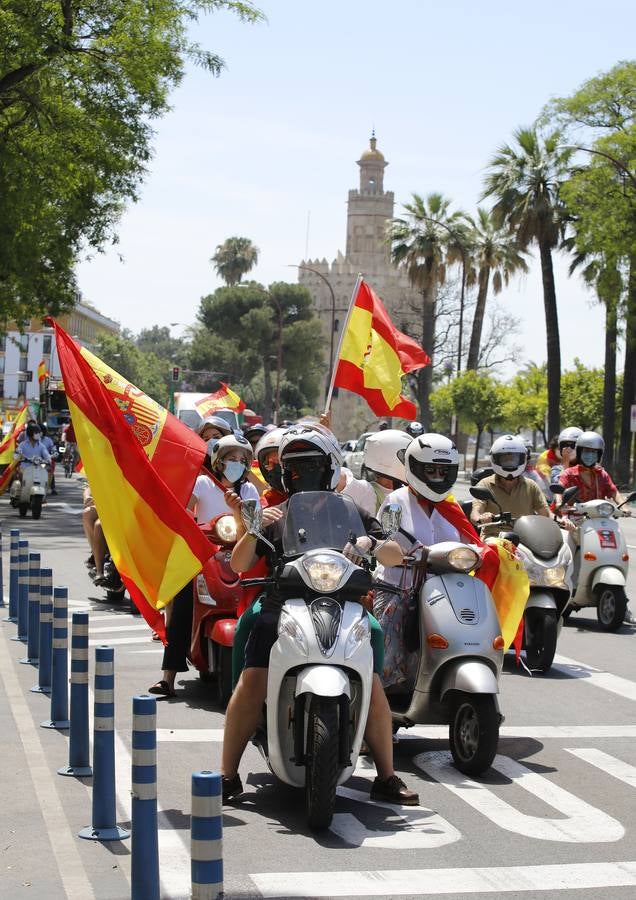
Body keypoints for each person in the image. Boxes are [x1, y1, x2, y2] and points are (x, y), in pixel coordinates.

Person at [221, 425, 419, 807]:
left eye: (311, 465)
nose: (301, 474)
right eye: (293, 469)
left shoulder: (352, 510)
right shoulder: (275, 511)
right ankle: (228, 773)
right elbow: (239, 562)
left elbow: (394, 552)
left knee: (373, 677)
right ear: (283, 473)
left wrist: (371, 542)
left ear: (329, 467)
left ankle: (387, 775)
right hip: (283, 601)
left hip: (345, 603)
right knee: (253, 678)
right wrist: (255, 526)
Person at [373, 433, 473, 689]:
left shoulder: (453, 508)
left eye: (443, 470)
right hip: (401, 592)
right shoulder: (396, 502)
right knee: (386, 659)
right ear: (414, 467)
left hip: (447, 595)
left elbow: (471, 544)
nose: (437, 476)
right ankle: (385, 697)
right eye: (430, 470)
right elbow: (384, 539)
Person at [471, 434, 550, 526]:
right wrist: (480, 518)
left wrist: (560, 520)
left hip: (526, 536)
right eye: (505, 459)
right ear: (495, 459)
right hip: (494, 536)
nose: (510, 462)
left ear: (523, 458)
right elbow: (475, 513)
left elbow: (545, 513)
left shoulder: (531, 485)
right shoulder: (485, 484)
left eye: (514, 459)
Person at [188, 433, 260, 524]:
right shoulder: (202, 482)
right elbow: (185, 512)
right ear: (219, 461)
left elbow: (253, 527)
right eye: (232, 459)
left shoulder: (249, 489)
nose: (238, 464)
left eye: (242, 461)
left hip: (238, 538)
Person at [40, 424, 58, 494]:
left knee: (49, 470)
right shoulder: (30, 440)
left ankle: (52, 487)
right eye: (37, 431)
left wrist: (55, 452)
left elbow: (53, 448)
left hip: (43, 462)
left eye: (40, 431)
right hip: (32, 462)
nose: (38, 433)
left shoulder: (48, 440)